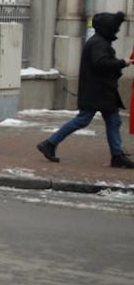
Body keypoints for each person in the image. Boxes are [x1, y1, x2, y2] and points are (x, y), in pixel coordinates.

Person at [37, 12, 131, 168]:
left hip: (101, 91)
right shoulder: (99, 43)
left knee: (113, 121)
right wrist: (122, 63)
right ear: (108, 29)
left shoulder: (99, 42)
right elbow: (101, 63)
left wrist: (119, 64)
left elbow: (102, 63)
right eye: (115, 28)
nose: (117, 31)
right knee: (84, 120)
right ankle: (49, 143)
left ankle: (117, 155)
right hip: (98, 92)